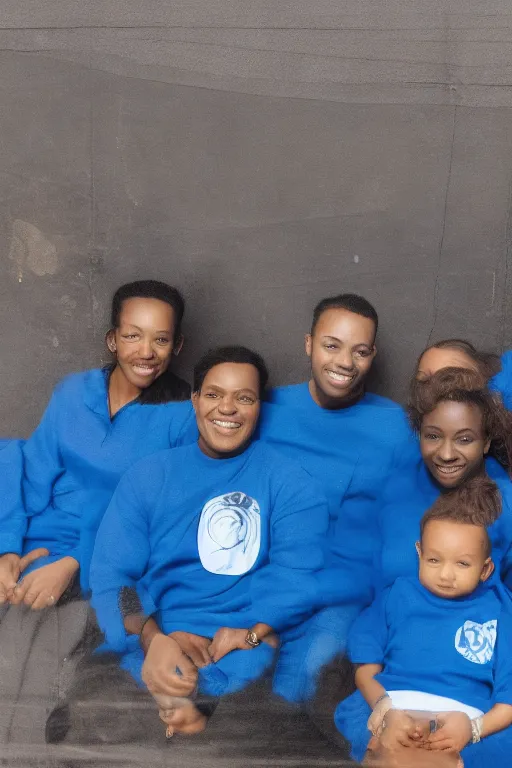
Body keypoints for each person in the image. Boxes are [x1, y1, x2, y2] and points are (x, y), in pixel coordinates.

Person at [166, 294, 413, 704]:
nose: (344, 362)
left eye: (361, 351)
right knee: (206, 681)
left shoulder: (394, 428)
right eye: (331, 345)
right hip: (255, 579)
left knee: (300, 682)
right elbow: (190, 452)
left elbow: (404, 524)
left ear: (374, 355)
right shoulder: (263, 407)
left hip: (335, 593)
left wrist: (265, 626)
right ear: (308, 344)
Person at [90, 346, 328, 736]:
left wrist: (252, 632)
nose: (228, 409)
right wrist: (155, 639)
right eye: (214, 394)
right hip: (151, 642)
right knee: (90, 723)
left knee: (238, 736)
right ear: (195, 400)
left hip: (243, 652)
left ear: (259, 407)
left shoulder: (289, 481)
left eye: (244, 397)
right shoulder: (149, 476)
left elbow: (298, 580)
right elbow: (114, 577)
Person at [0, 279, 190, 744]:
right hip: (35, 543)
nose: (146, 351)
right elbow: (31, 473)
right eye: (132, 335)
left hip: (107, 559)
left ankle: (21, 752)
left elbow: (159, 520)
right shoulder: (73, 392)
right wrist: (7, 551)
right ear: (112, 339)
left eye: (160, 339)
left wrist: (72, 564)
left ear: (177, 345)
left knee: (41, 637)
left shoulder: (185, 414)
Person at [335, 477, 512, 767]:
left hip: (463, 718)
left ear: (485, 568)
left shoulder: (500, 611)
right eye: (434, 560)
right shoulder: (397, 597)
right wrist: (384, 709)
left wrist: (474, 729)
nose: (445, 575)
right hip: (395, 705)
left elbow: (508, 703)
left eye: (462, 564)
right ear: (419, 553)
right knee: (362, 723)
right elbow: (365, 669)